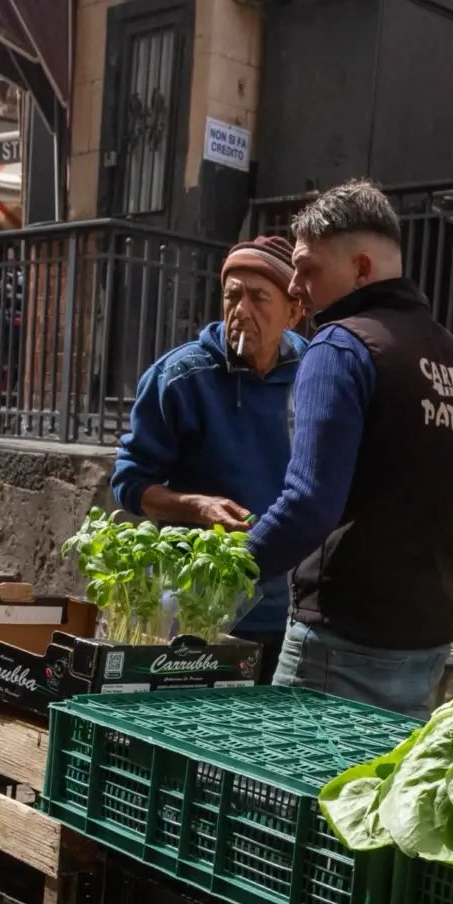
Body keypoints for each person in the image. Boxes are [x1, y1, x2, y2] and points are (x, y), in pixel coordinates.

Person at [247, 182, 453, 717]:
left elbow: (308, 503)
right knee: (376, 798)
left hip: (340, 639)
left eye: (307, 269)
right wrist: (407, 519)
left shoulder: (339, 348)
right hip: (425, 643)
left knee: (296, 794)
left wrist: (229, 568)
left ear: (362, 268)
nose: (295, 286)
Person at [112, 236, 308, 677]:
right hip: (199, 609)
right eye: (232, 296)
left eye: (258, 298)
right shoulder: (181, 377)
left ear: (293, 312)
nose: (241, 310)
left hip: (290, 611)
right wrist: (196, 507)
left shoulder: (313, 371)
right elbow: (129, 483)